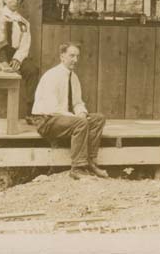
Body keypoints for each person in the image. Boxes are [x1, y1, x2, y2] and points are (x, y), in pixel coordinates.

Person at [31, 43, 108, 179]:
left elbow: (78, 102)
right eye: (72, 56)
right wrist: (78, 118)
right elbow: (52, 109)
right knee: (80, 123)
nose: (75, 60)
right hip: (46, 120)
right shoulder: (52, 76)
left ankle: (90, 162)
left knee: (98, 119)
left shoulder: (74, 78)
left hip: (64, 118)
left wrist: (82, 112)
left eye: (77, 56)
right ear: (62, 57)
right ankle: (77, 168)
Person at [0, 0, 40, 114]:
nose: (15, 1)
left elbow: (24, 45)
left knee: (32, 70)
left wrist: (17, 59)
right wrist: (1, 59)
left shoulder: (23, 22)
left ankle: (31, 112)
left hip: (13, 54)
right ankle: (2, 65)